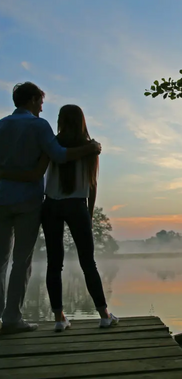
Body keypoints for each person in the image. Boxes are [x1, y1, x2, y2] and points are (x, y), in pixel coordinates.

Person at [4, 104, 118, 332]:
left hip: (52, 207)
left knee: (54, 264)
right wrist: (90, 212)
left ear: (61, 120)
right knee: (88, 263)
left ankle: (59, 318)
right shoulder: (90, 148)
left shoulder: (51, 144)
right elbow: (93, 184)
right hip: (77, 206)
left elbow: (39, 170)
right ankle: (104, 314)